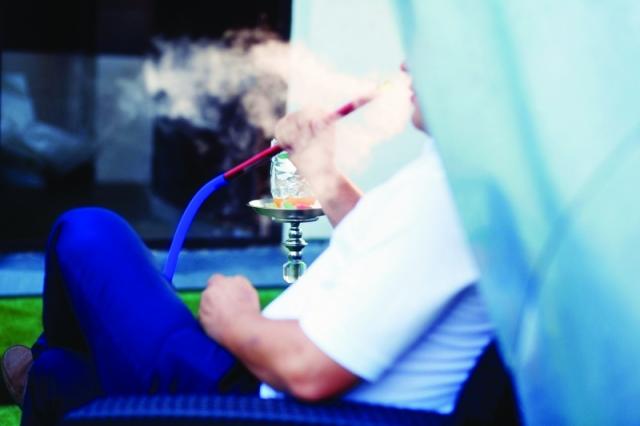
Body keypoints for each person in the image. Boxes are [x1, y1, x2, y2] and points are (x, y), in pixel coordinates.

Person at [1, 66, 493, 425]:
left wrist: (237, 322)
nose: (407, 64)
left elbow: (308, 373)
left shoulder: (454, 197)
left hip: (246, 401)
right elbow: (384, 245)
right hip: (251, 382)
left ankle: (42, 363)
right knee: (58, 377)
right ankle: (38, 372)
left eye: (428, 51)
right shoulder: (455, 175)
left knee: (88, 231)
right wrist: (318, 166)